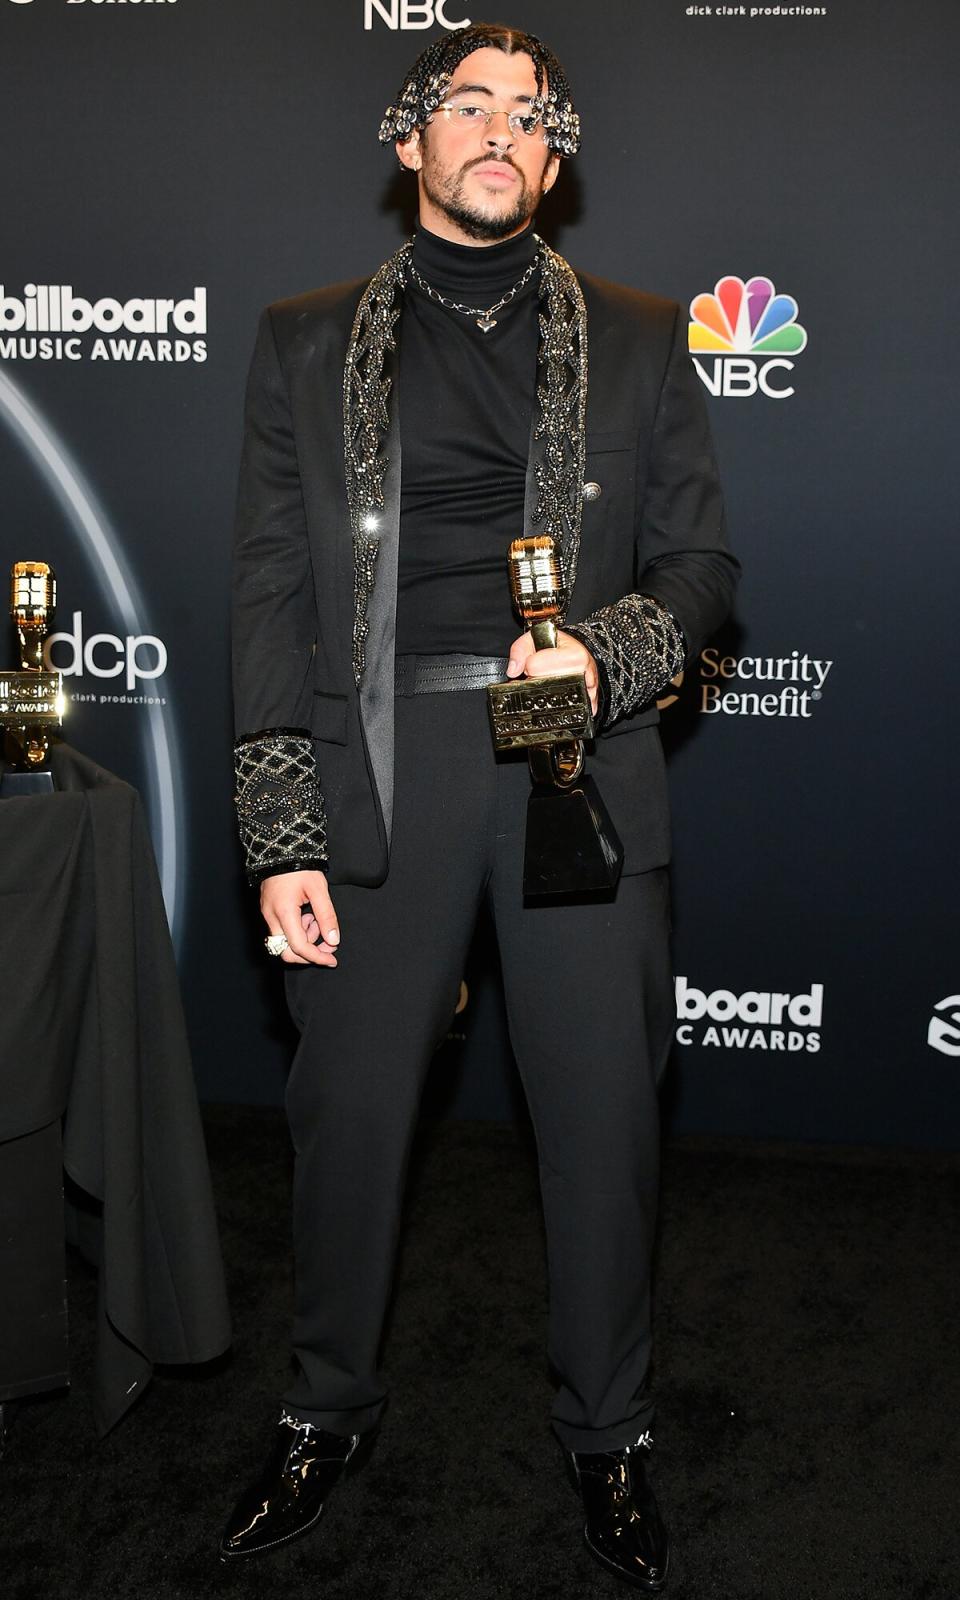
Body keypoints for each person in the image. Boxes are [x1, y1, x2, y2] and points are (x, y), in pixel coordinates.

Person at [222, 22, 738, 1591]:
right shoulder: (303, 340)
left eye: (533, 114)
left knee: (599, 1125)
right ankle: (324, 1409)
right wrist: (281, 832)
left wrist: (600, 651)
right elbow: (265, 596)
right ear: (412, 141)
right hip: (378, 764)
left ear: (556, 159)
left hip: (573, 759)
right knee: (351, 1120)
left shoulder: (645, 338)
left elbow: (706, 579)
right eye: (471, 105)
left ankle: (611, 1436)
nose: (503, 131)